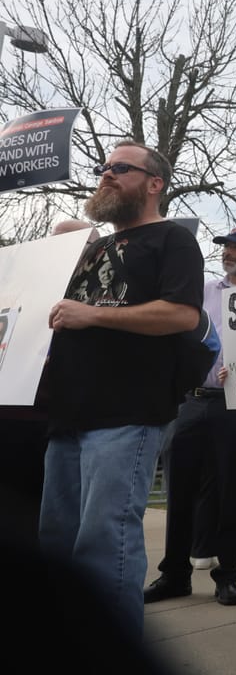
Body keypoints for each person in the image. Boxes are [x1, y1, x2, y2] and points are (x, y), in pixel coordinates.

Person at [39, 140, 205, 639]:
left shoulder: (172, 240)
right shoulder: (92, 246)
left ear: (155, 184)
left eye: (121, 168)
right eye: (103, 167)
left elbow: (181, 314)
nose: (106, 174)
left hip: (126, 412)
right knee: (57, 540)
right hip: (68, 411)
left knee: (104, 540)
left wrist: (93, 314)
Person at [143, 227, 236, 607]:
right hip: (194, 400)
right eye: (225, 247)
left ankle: (227, 575)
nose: (228, 252)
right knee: (180, 488)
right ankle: (174, 573)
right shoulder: (204, 291)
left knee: (232, 489)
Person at [0, 220, 98, 553]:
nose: (59, 248)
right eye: (54, 241)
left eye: (72, 242)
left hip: (56, 425)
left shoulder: (103, 298)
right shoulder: (20, 287)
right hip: (9, 416)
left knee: (50, 519)